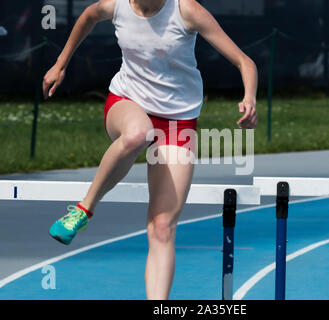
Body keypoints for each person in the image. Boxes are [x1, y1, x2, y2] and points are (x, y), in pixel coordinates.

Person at [43, 0, 258, 300]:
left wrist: (249, 98)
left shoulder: (187, 10)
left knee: (161, 227)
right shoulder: (116, 5)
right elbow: (88, 17)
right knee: (138, 134)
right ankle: (82, 210)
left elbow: (245, 61)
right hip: (127, 104)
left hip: (178, 123)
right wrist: (60, 63)